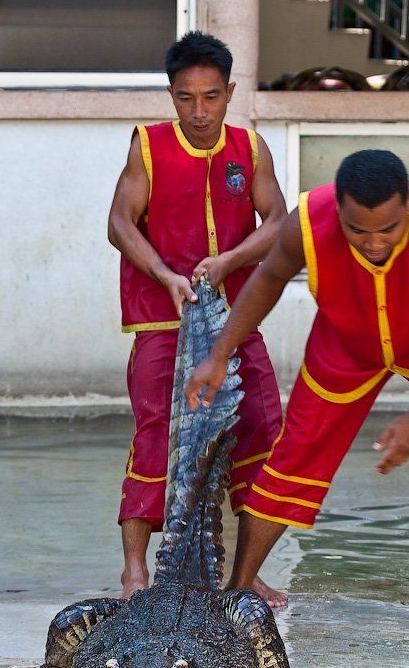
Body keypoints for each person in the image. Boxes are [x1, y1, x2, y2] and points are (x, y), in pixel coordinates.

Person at [185, 149, 409, 650]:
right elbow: (267, 281)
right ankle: (237, 594)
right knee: (293, 459)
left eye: (387, 228)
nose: (373, 243)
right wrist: (219, 353)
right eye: (356, 230)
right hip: (344, 344)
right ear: (338, 210)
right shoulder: (307, 222)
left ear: (407, 207)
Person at [108, 32, 287, 605]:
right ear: (171, 95)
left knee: (261, 427)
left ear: (230, 92)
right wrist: (165, 275)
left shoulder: (250, 149)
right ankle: (135, 567)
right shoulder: (147, 145)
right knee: (157, 430)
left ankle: (244, 569)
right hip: (162, 317)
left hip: (234, 316)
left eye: (211, 96)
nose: (199, 111)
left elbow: (279, 220)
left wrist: (233, 259)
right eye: (186, 98)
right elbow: (119, 223)